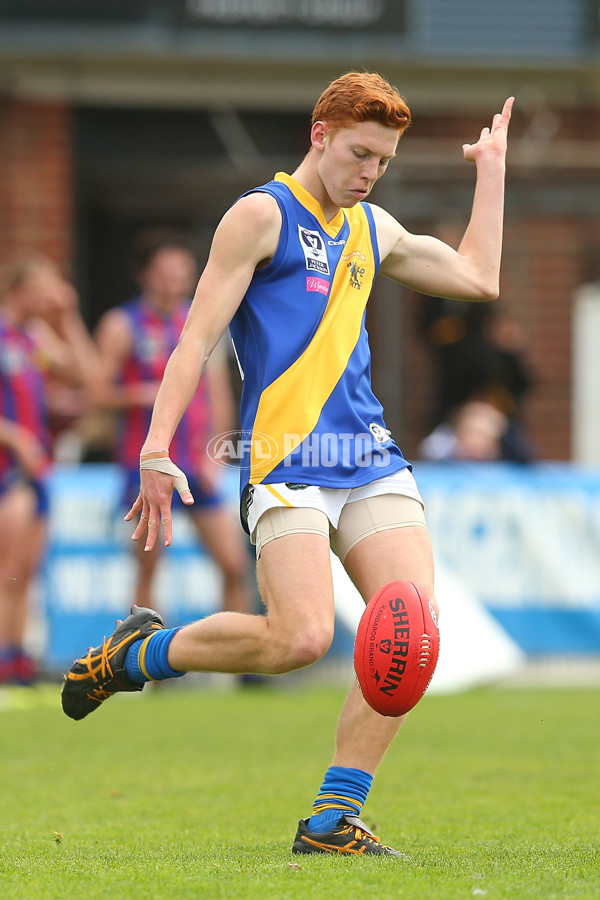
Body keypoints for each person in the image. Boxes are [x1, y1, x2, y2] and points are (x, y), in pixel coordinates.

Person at [62, 72, 513, 856]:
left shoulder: (374, 228)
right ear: (320, 135)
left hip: (370, 461)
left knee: (412, 631)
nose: (370, 173)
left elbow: (479, 278)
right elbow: (195, 340)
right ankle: (133, 656)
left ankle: (335, 820)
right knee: (297, 639)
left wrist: (493, 170)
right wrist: (157, 448)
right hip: (284, 464)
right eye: (360, 154)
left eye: (384, 161)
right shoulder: (260, 216)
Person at [93, 229, 253, 621]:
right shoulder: (122, 324)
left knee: (234, 563)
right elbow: (96, 395)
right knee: (149, 568)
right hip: (145, 465)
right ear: (144, 274)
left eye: (182, 272)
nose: (175, 281)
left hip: (197, 466)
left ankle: (238, 667)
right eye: (166, 272)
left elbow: (218, 396)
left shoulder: (201, 323)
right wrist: (143, 394)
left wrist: (216, 456)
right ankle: (146, 664)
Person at [0, 254, 103, 684]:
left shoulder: (33, 336)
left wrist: (71, 319)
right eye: (45, 287)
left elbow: (89, 377)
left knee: (24, 569)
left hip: (34, 469)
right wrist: (15, 437)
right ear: (21, 289)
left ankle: (18, 657)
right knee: (7, 567)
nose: (51, 295)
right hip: (9, 466)